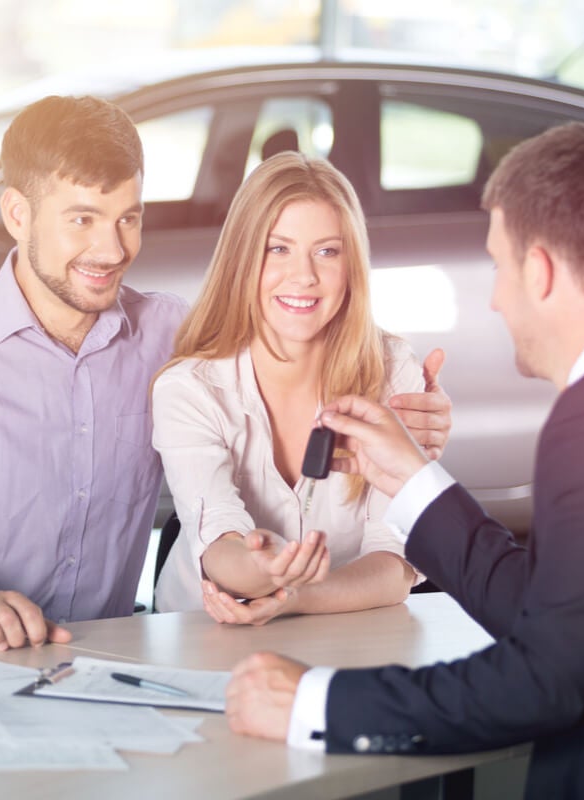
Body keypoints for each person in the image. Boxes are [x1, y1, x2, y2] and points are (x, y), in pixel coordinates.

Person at [0, 95, 453, 656]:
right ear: (17, 214)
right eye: (82, 219)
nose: (113, 249)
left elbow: (288, 340)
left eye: (129, 217)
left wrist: (420, 431)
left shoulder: (175, 340)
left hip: (88, 670)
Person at [224, 121, 584, 799]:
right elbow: (545, 608)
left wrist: (314, 703)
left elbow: (544, 680)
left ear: (541, 270)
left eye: (498, 265)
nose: (496, 297)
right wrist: (411, 478)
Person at [152, 152, 431, 620]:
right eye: (278, 249)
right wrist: (261, 567)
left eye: (327, 251)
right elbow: (219, 542)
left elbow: (396, 563)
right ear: (243, 259)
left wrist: (292, 598)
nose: (304, 276)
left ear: (351, 266)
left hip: (344, 630)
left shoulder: (393, 371)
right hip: (206, 631)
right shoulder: (189, 389)